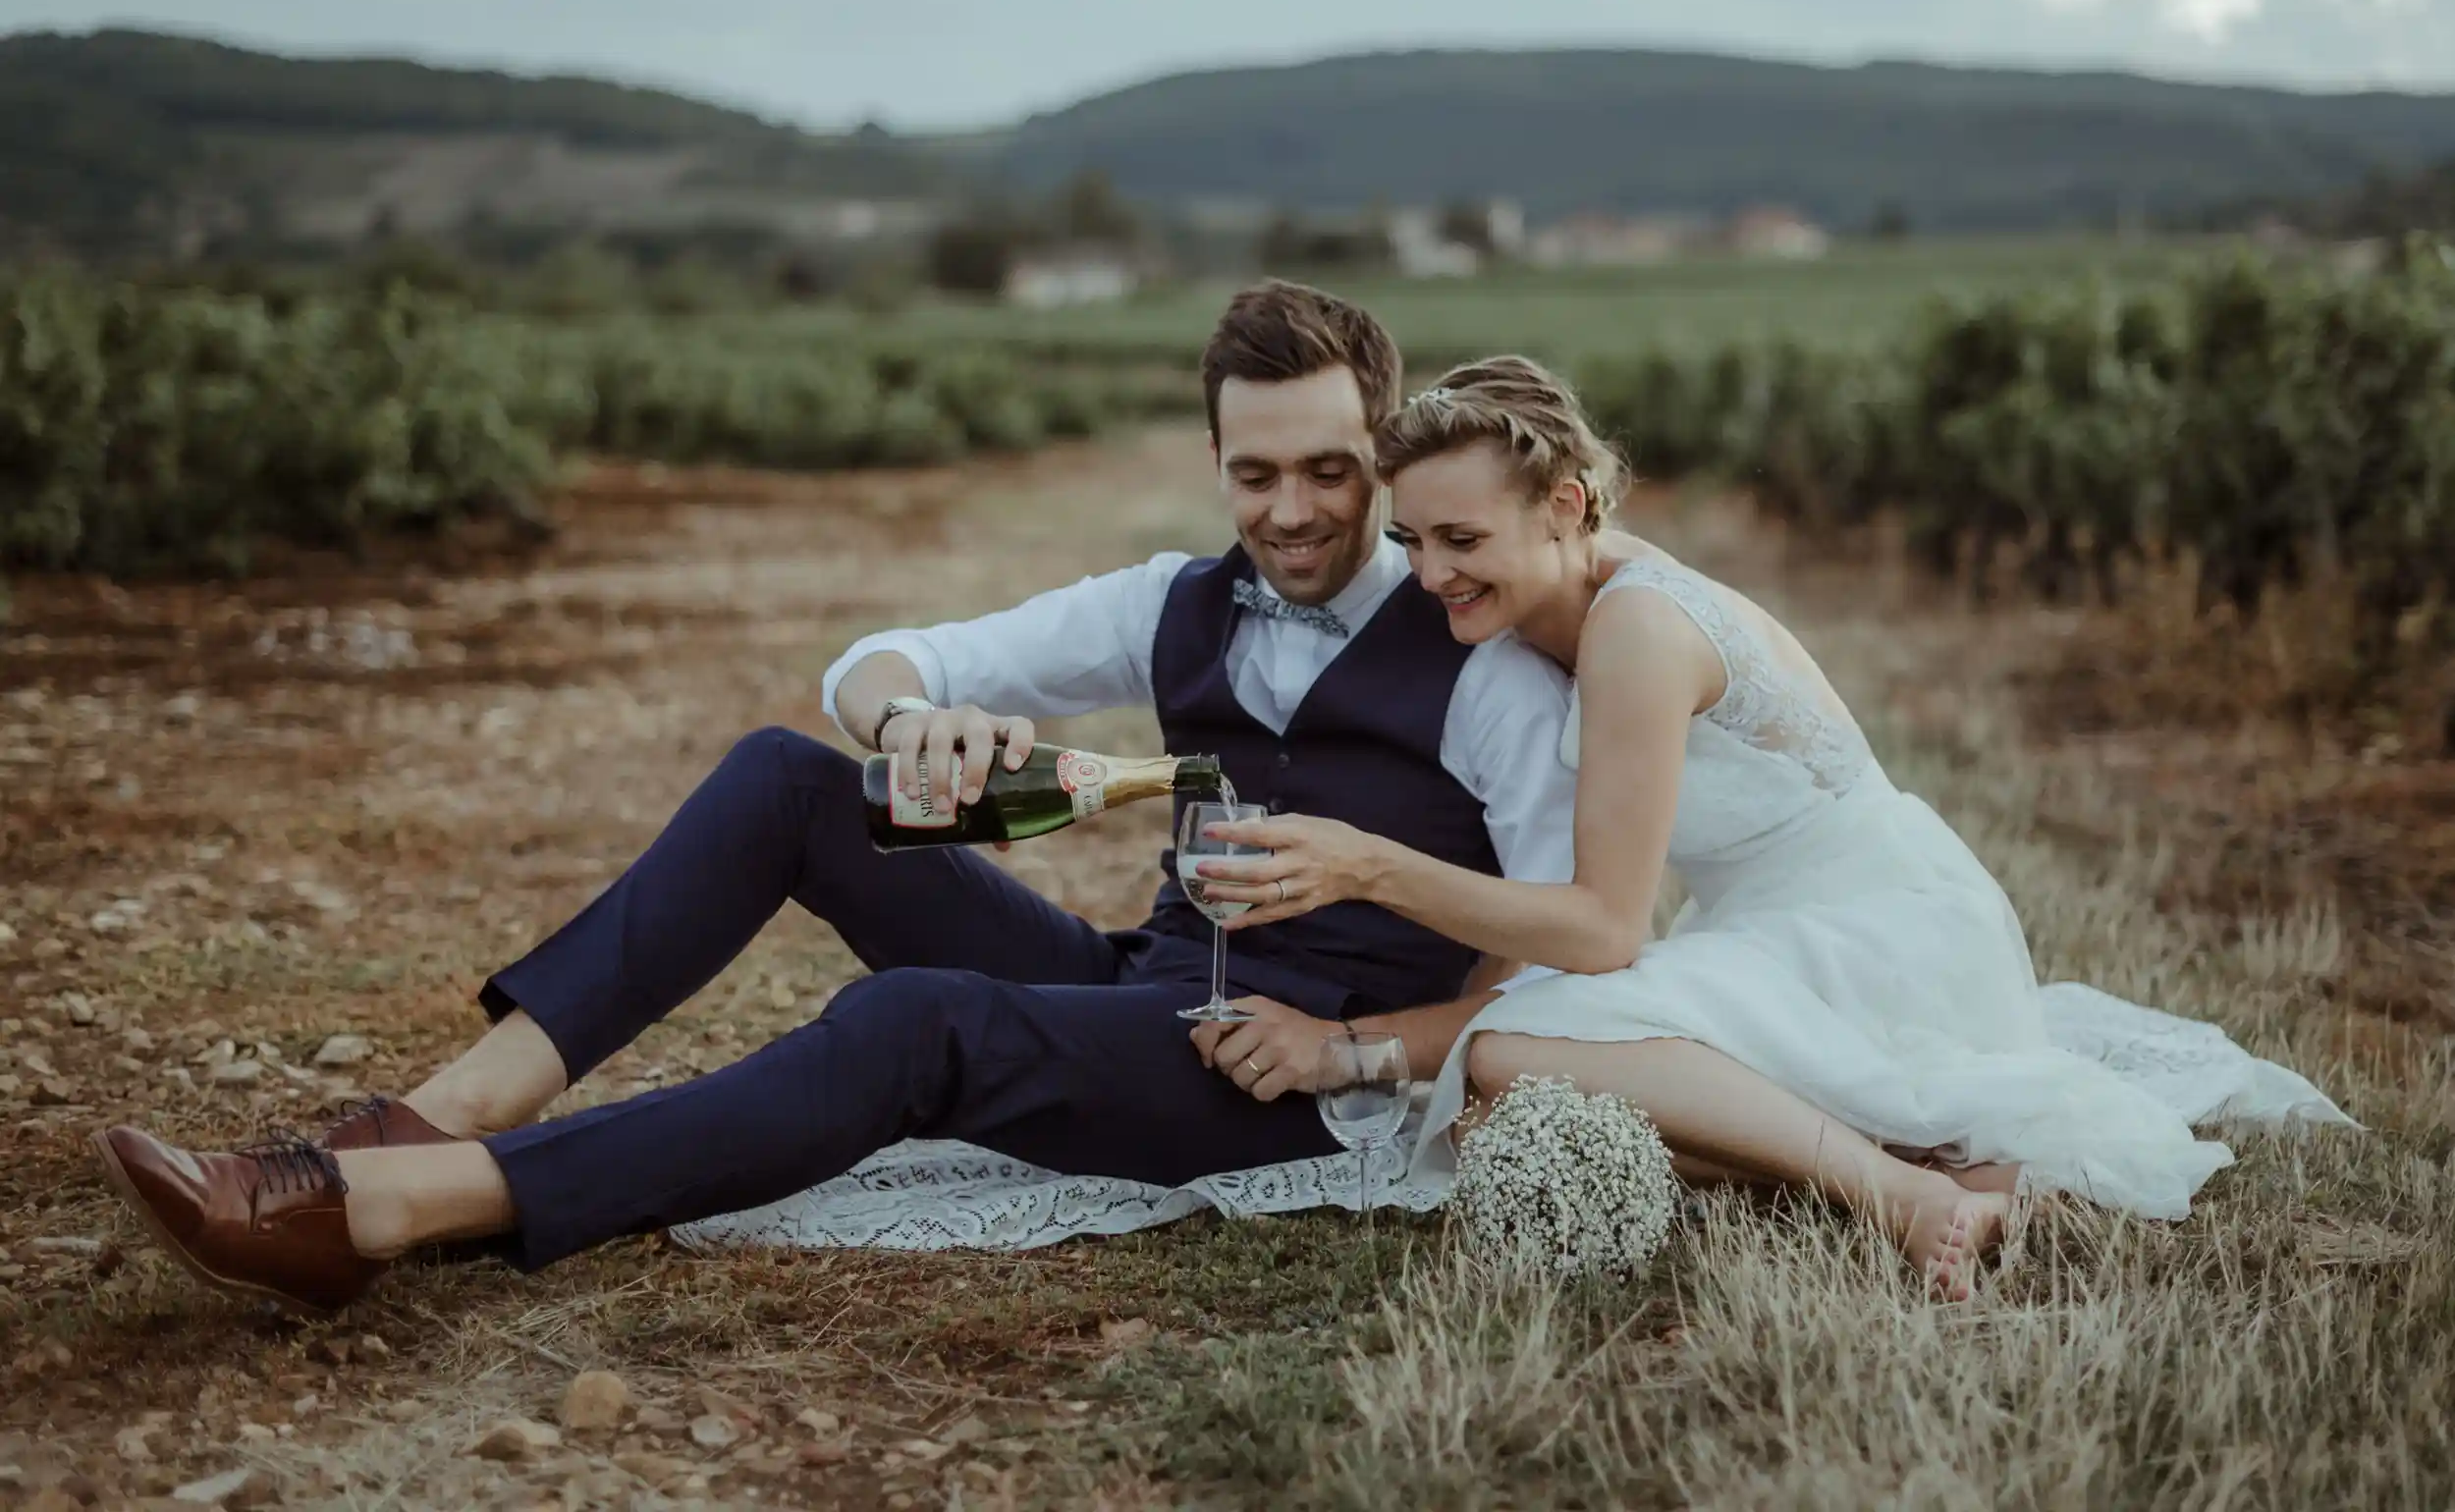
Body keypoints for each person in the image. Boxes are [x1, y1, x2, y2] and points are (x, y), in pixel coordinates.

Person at [86, 283, 1582, 1318]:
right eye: (1257, 474)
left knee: (913, 1022)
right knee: (788, 781)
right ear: (1213, 461)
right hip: (1151, 987)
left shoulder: (1486, 667)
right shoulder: (1175, 600)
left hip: (1298, 1082)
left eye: (1331, 470)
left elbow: (1575, 969)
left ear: (1381, 455)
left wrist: (1357, 1054)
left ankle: (394, 1209)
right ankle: (437, 1112)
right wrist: (911, 721)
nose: (1294, 511)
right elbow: (878, 659)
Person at [1194, 354, 2356, 1300]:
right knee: (1510, 1114)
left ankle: (1907, 1197)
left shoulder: (1635, 627)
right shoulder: (1555, 599)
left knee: (1503, 1057)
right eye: (1412, 540)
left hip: (1874, 933)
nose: (1429, 572)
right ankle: (1908, 1164)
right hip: (1784, 926)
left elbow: (1602, 930)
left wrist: (1366, 867)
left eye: (1460, 541)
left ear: (1564, 505)